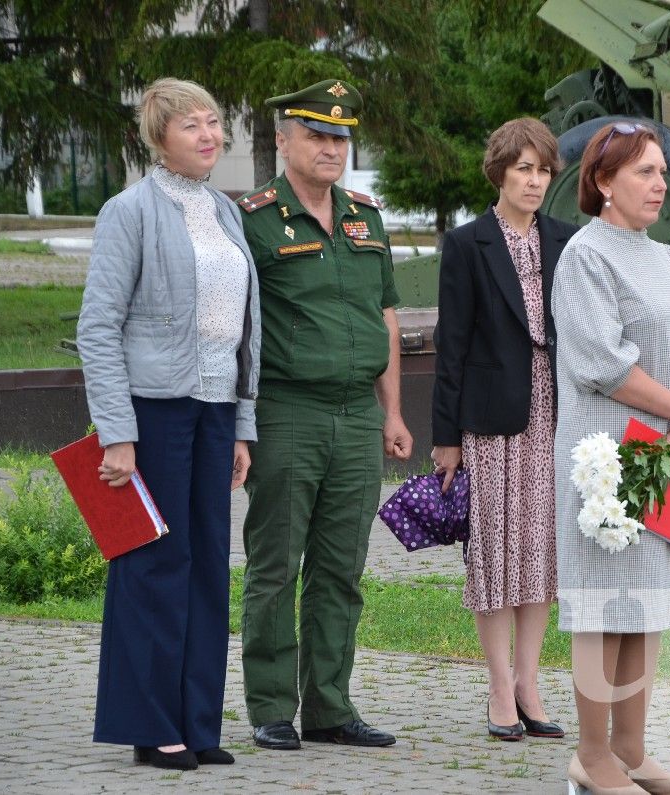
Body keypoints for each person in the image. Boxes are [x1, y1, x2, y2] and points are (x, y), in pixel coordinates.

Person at [77, 77, 260, 771]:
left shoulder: (224, 211)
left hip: (215, 410)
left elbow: (245, 329)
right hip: (153, 411)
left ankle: (198, 721)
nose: (209, 135)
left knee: (209, 563)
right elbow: (98, 327)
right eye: (191, 125)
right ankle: (151, 727)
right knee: (154, 562)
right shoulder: (130, 211)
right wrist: (117, 431)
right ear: (159, 138)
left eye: (214, 122)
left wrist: (242, 424)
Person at [237, 78, 413, 751]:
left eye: (340, 135)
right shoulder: (253, 218)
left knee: (342, 567)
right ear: (282, 142)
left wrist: (392, 410)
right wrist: (240, 421)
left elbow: (386, 316)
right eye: (315, 133)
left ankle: (331, 707)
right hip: (287, 410)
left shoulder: (367, 217)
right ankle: (273, 706)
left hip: (356, 415)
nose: (331, 146)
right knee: (277, 563)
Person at [551, 122, 670, 794]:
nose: (660, 184)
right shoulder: (587, 257)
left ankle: (630, 747)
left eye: (661, 172)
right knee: (603, 604)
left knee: (647, 600)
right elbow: (601, 362)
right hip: (610, 455)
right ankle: (591, 755)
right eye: (644, 173)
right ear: (602, 183)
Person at [431, 118, 579, 741]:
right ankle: (497, 686)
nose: (535, 180)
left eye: (544, 170)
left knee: (540, 553)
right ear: (500, 171)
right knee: (495, 553)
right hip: (490, 422)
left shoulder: (568, 240)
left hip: (553, 412)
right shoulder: (468, 244)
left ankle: (529, 682)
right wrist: (446, 437)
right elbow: (452, 346)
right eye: (524, 168)